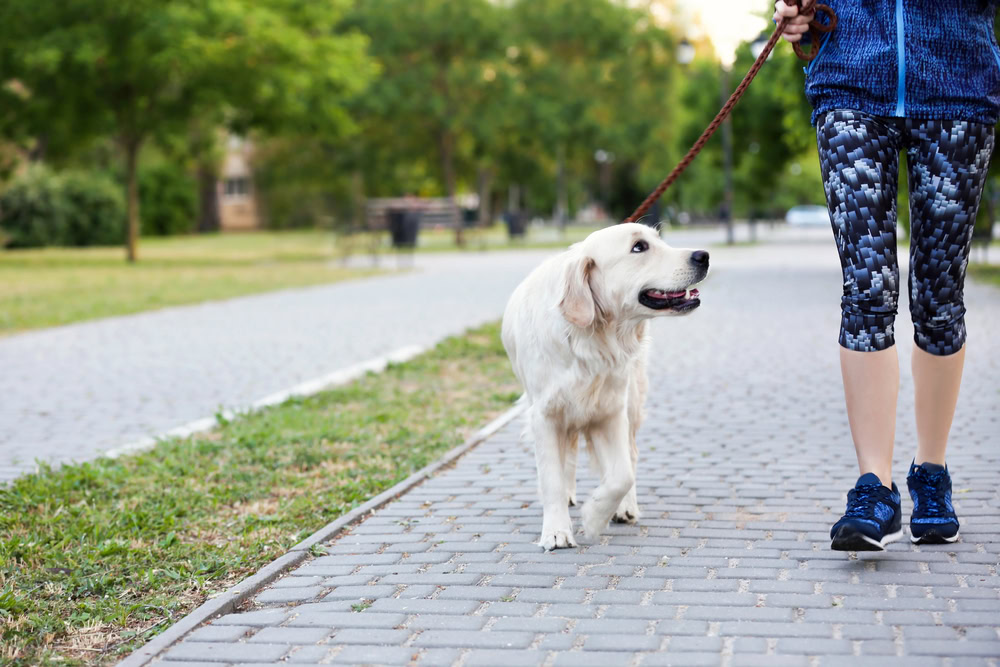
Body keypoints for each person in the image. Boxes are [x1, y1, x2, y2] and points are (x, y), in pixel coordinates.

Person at [774, 0, 999, 551]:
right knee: (868, 286)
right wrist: (796, 15)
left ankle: (932, 472)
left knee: (940, 294)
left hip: (956, 84)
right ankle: (874, 486)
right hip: (849, 82)